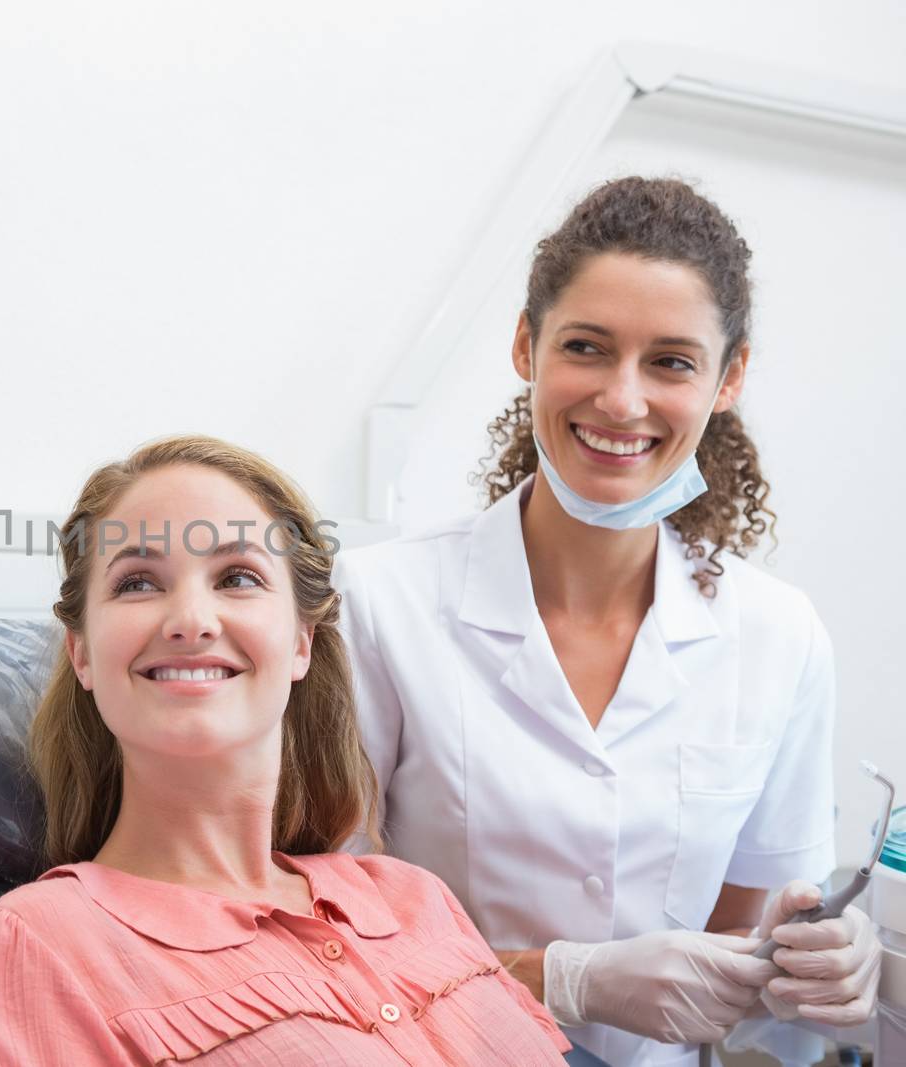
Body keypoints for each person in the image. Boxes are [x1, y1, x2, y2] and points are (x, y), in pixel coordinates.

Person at [334, 176, 882, 1067]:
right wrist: (564, 978)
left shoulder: (778, 635)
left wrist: (815, 967)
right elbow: (321, 931)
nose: (622, 400)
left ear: (729, 376)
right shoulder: (379, 602)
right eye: (587, 347)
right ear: (527, 346)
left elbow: (746, 946)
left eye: (671, 361)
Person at [0, 435, 573, 1065]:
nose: (191, 619)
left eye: (238, 577)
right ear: (81, 652)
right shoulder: (25, 951)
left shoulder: (410, 898)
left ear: (302, 641)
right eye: (137, 581)